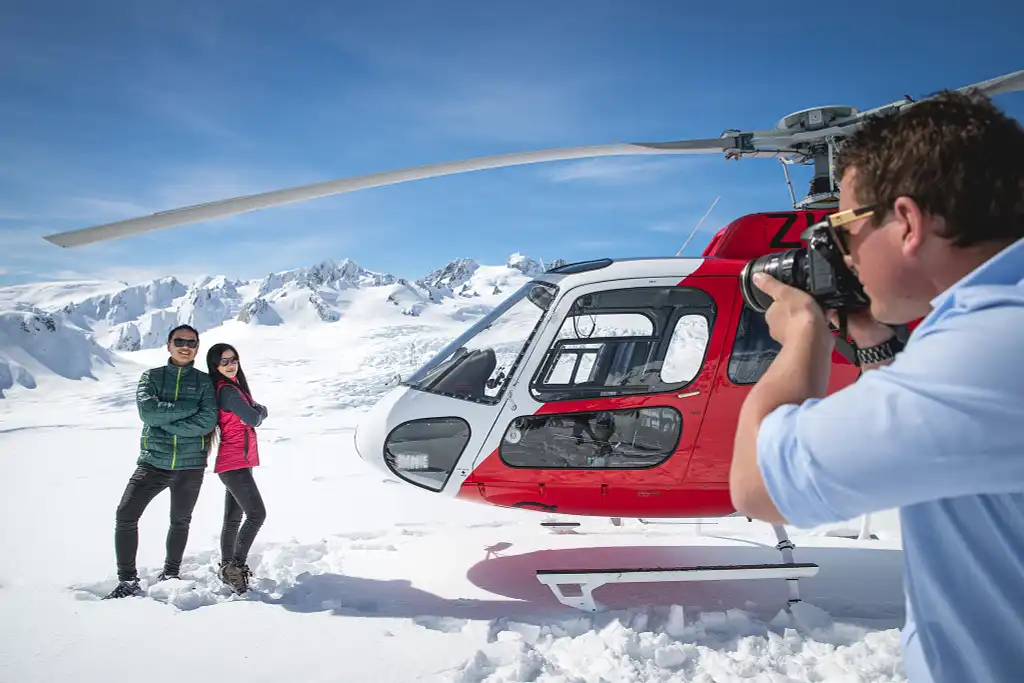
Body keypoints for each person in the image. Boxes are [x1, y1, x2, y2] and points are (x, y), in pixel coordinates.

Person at [729, 89, 1024, 682]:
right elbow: (937, 437)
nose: (846, 259)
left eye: (842, 232)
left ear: (908, 222)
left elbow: (758, 486)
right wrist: (873, 341)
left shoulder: (989, 350)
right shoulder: (997, 333)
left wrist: (804, 333)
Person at [105, 324, 219, 599]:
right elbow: (148, 412)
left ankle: (171, 572)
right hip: (152, 463)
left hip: (190, 466)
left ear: (197, 348)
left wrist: (167, 423)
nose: (185, 346)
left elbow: (207, 421)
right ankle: (128, 581)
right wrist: (188, 410)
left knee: (180, 521)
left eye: (191, 342)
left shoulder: (205, 382)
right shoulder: (151, 377)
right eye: (179, 341)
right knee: (126, 515)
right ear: (168, 345)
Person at [206, 342, 268, 594]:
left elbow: (253, 414)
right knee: (257, 514)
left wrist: (256, 410)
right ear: (215, 366)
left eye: (233, 360)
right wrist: (260, 410)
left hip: (238, 462)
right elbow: (254, 418)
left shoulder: (232, 389)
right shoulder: (229, 392)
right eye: (225, 361)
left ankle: (226, 565)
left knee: (233, 518)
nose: (231, 365)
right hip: (234, 464)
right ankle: (236, 566)